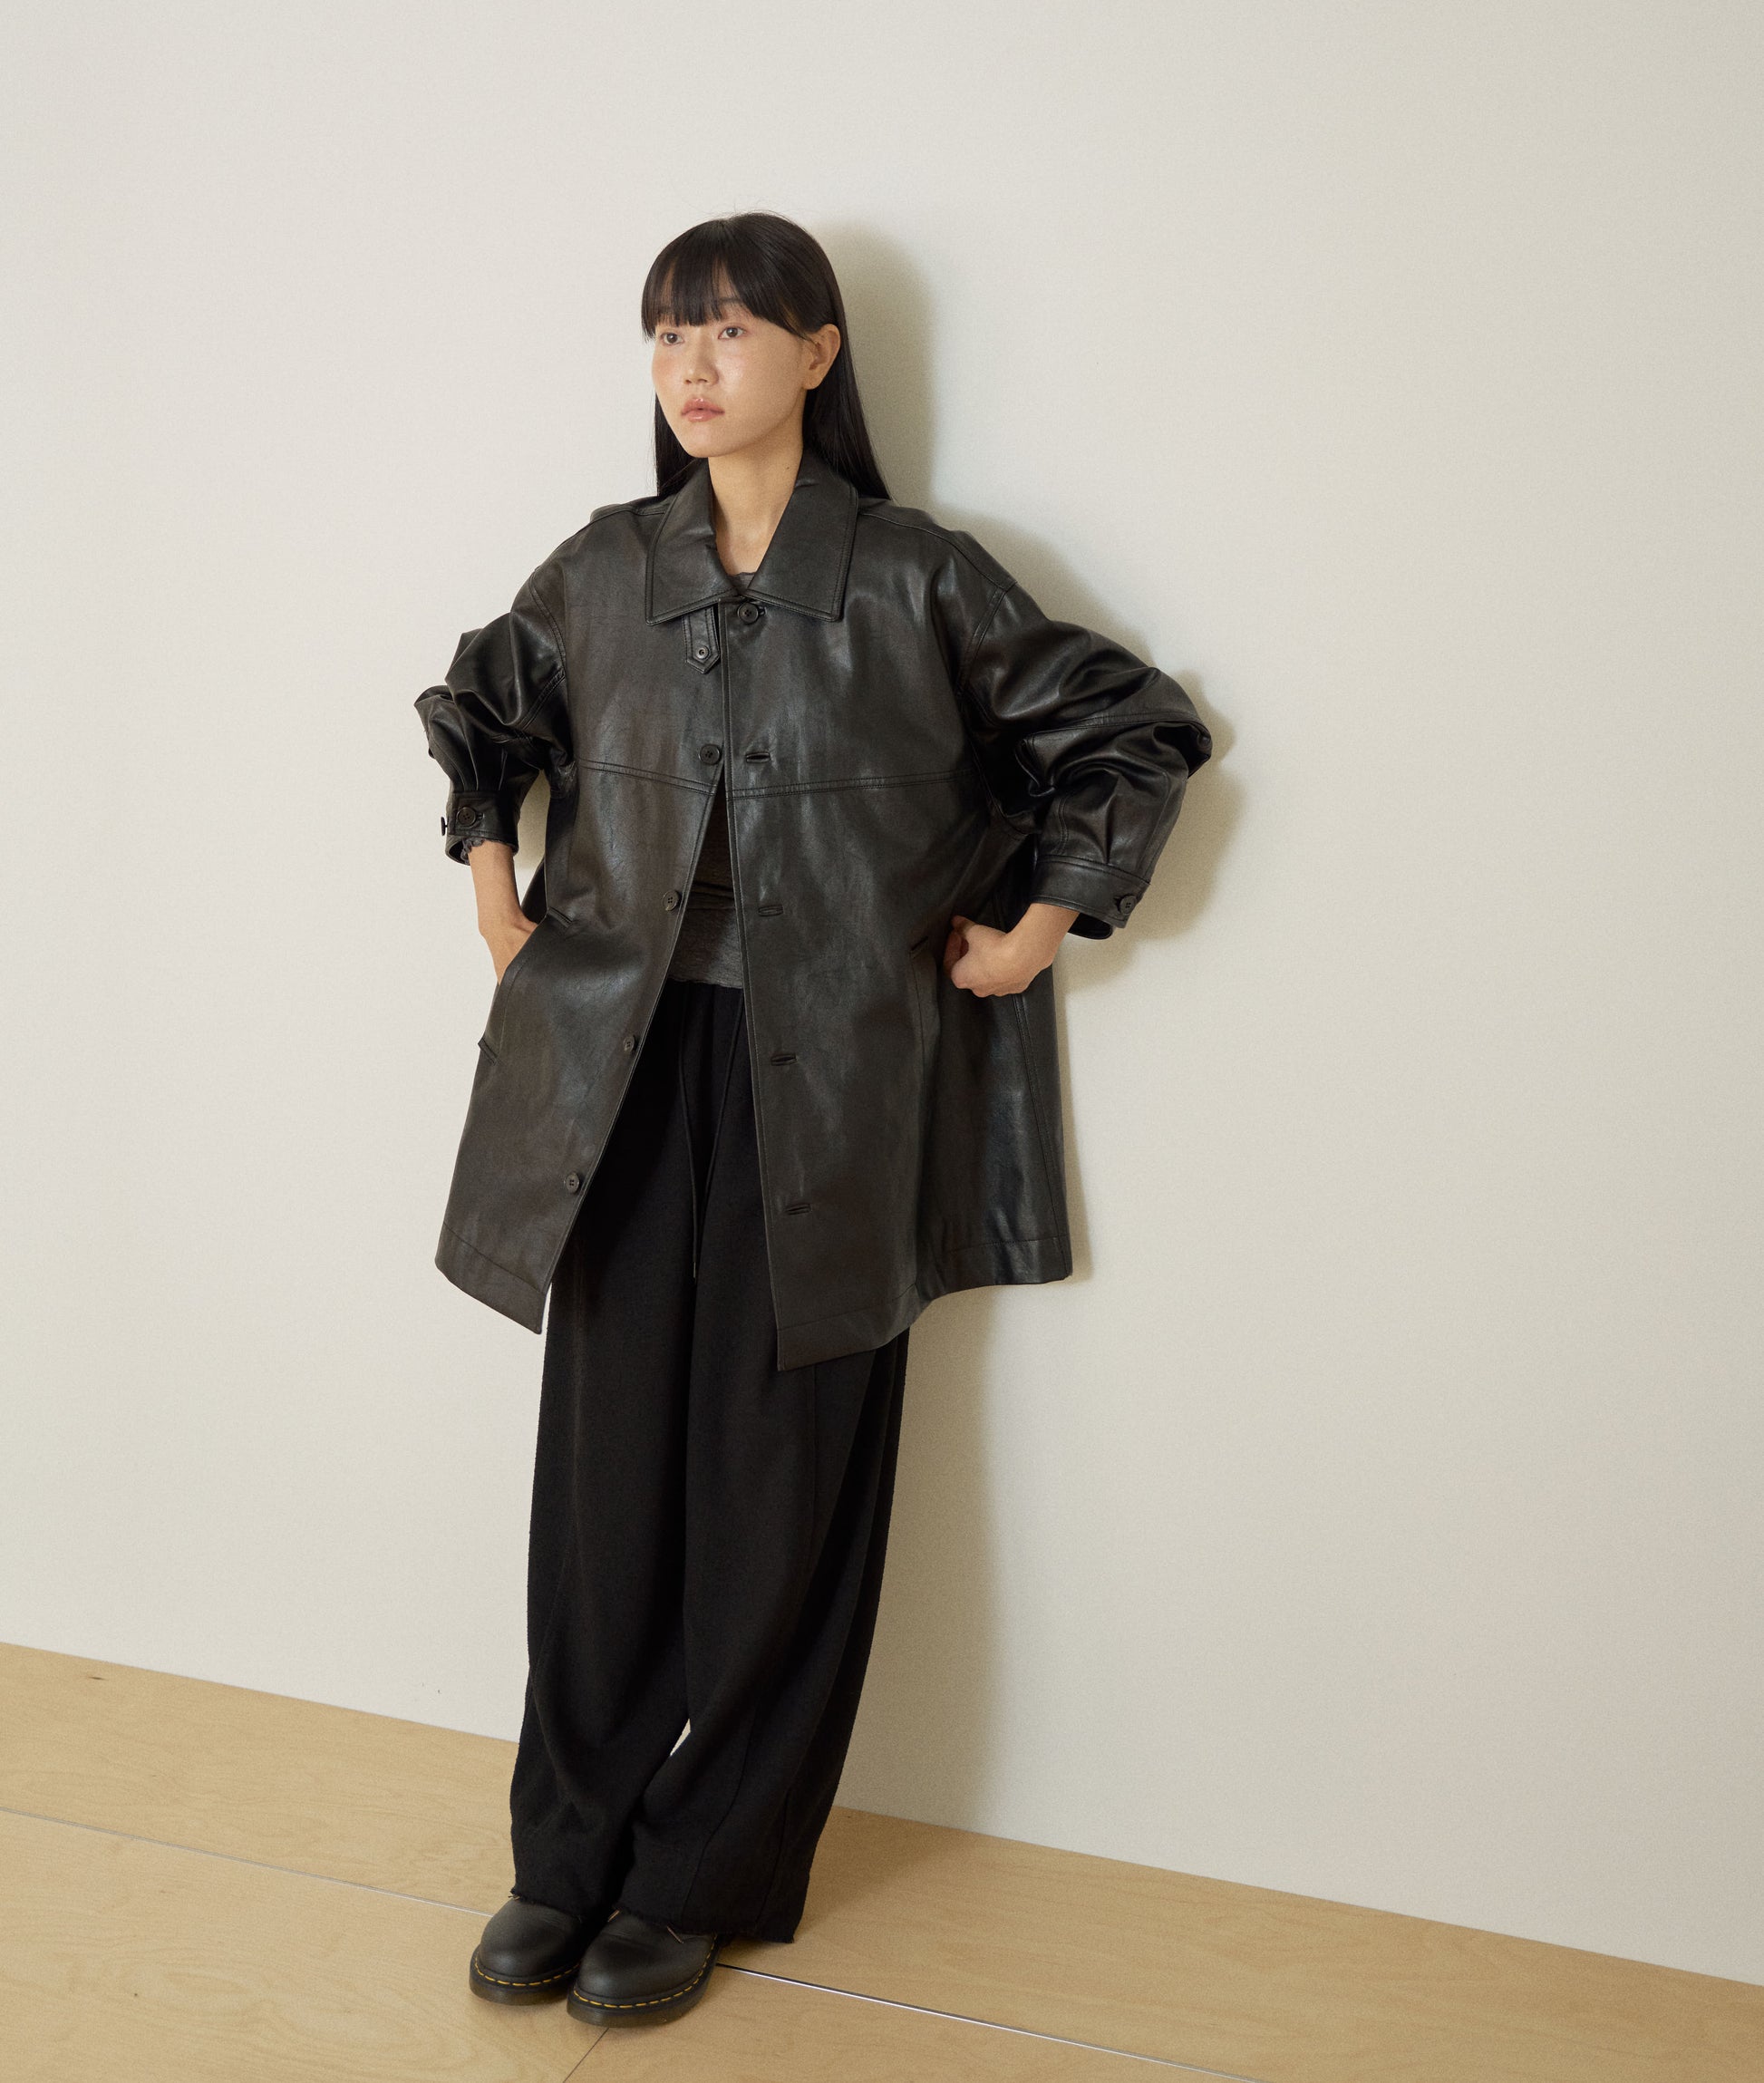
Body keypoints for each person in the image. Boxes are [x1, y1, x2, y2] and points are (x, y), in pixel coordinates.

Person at [416, 210, 1211, 2029]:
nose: (692, 367)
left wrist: (1039, 922)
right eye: (665, 334)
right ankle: (566, 1852)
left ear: (817, 352)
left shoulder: (919, 578)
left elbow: (1130, 729)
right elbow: (481, 712)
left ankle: (702, 1871)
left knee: (785, 1487)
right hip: (617, 1075)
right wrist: (489, 878)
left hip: (835, 1090)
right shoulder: (606, 568)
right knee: (606, 1484)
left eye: (729, 329)